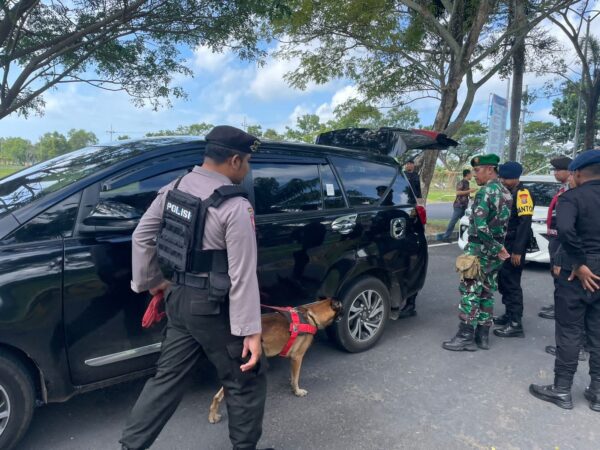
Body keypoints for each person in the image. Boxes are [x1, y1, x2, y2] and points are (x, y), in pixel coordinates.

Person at [120, 125, 272, 450]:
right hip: (214, 308)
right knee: (245, 379)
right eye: (247, 162)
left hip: (178, 300)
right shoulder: (235, 206)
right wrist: (252, 332)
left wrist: (150, 283)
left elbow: (141, 237)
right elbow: (243, 273)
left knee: (166, 380)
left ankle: (129, 446)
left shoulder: (173, 188)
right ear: (234, 160)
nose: (247, 170)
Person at [529, 150, 600, 412]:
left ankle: (561, 390)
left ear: (578, 173)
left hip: (577, 270)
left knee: (570, 330)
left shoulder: (572, 197)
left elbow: (566, 230)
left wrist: (580, 263)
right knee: (598, 331)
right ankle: (597, 392)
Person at [442, 154, 512, 351]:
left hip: (480, 252)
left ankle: (465, 335)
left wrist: (496, 248)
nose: (474, 175)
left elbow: (481, 227)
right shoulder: (506, 192)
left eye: (478, 170)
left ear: (490, 169)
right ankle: (483, 336)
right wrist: (499, 248)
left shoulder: (485, 193)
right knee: (487, 292)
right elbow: (503, 225)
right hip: (494, 254)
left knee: (470, 292)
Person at [493, 162, 534, 338]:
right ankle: (509, 315)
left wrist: (518, 251)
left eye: (506, 178)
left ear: (516, 178)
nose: (503, 181)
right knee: (503, 280)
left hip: (514, 246)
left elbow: (525, 223)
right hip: (506, 244)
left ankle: (516, 323)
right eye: (501, 177)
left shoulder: (523, 194)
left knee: (512, 284)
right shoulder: (510, 192)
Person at [538, 156, 572, 320]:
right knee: (557, 276)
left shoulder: (570, 190)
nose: (555, 173)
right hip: (555, 238)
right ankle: (558, 304)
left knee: (562, 275)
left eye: (558, 170)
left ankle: (562, 307)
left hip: (562, 240)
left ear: (570, 171)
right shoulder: (563, 188)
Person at [441, 169, 478, 241]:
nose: (472, 175)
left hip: (464, 206)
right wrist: (470, 191)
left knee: (467, 221)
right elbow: (458, 193)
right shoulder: (461, 182)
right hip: (459, 205)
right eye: (471, 174)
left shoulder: (467, 183)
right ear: (467, 174)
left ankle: (467, 237)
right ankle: (445, 237)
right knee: (453, 221)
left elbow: (465, 193)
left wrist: (471, 197)